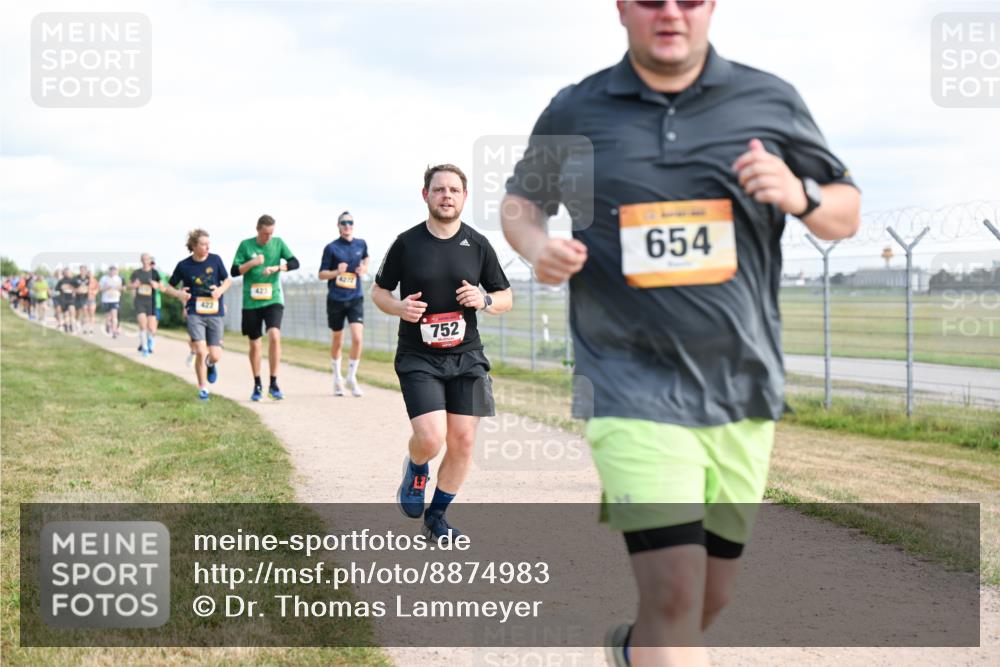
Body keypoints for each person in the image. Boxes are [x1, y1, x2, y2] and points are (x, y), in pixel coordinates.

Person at [500, 2, 862, 665]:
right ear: (621, 8)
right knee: (673, 588)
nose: (670, 12)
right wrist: (536, 245)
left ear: (712, 7)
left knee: (707, 599)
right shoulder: (576, 109)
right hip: (627, 381)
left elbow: (846, 210)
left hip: (741, 387)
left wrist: (800, 197)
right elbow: (523, 201)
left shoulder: (769, 99)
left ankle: (634, 650)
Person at [373, 164, 513, 542]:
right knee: (432, 438)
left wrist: (484, 299)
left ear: (464, 197)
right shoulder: (406, 243)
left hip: (468, 356)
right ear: (426, 195)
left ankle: (436, 519)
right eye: (439, 190)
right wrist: (400, 308)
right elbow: (379, 292)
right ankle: (417, 468)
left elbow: (505, 296)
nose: (446, 195)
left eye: (454, 190)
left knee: (464, 441)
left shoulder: (479, 244)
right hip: (419, 357)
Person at [231, 214, 300, 401]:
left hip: (273, 298)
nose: (267, 237)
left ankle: (274, 383)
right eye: (264, 234)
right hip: (251, 301)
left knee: (275, 335)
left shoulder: (278, 243)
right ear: (257, 230)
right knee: (255, 343)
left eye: (270, 234)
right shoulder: (246, 245)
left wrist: (277, 268)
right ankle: (257, 384)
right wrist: (252, 263)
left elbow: (294, 263)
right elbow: (234, 271)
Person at [161, 229, 232, 401]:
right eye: (203, 244)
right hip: (195, 312)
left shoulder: (215, 260)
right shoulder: (184, 265)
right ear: (194, 246)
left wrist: (220, 290)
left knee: (214, 355)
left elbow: (228, 280)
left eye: (209, 243)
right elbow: (167, 287)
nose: (208, 246)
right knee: (200, 350)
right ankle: (203, 389)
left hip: (215, 312)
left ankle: (210, 364)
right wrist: (179, 294)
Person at [319, 211, 369, 397]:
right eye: (343, 223)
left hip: (355, 297)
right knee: (338, 340)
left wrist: (364, 267)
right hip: (336, 299)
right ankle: (337, 379)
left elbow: (366, 257)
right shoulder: (331, 248)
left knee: (357, 338)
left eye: (350, 222)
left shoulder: (361, 244)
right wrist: (335, 272)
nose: (347, 225)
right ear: (338, 225)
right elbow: (321, 274)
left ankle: (351, 377)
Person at [130, 254, 161, 356]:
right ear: (141, 260)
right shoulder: (136, 273)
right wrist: (134, 285)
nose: (145, 261)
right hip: (140, 302)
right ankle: (145, 348)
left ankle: (150, 340)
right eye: (143, 259)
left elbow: (161, 286)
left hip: (151, 302)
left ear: (149, 260)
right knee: (143, 325)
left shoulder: (155, 273)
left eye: (147, 259)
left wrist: (155, 285)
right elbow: (130, 286)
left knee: (151, 328)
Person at [99, 265, 124, 337]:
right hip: (106, 300)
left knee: (114, 316)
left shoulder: (118, 279)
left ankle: (114, 331)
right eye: (111, 270)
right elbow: (100, 289)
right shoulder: (104, 278)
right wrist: (106, 288)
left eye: (114, 270)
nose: (113, 272)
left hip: (115, 299)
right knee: (108, 317)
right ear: (109, 271)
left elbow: (122, 288)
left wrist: (118, 288)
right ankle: (108, 325)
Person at [54, 268, 79, 333]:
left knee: (72, 312)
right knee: (66, 314)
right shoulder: (61, 281)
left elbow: (79, 288)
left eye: (69, 272)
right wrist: (61, 289)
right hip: (63, 299)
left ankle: (73, 327)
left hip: (71, 299)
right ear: (64, 273)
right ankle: (67, 327)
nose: (67, 273)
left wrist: (73, 290)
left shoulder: (74, 280)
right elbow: (56, 289)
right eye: (66, 272)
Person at [73, 266, 92, 333]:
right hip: (77, 297)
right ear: (80, 270)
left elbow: (89, 287)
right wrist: (76, 290)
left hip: (85, 297)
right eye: (81, 270)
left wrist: (88, 292)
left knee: (84, 310)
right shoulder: (76, 278)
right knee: (78, 312)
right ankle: (77, 322)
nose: (83, 271)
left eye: (84, 270)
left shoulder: (88, 278)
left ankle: (82, 324)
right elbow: (72, 287)